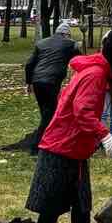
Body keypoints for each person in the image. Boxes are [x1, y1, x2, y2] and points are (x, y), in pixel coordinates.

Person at [23, 31, 112, 223]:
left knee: (66, 202)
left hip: (67, 146)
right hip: (65, 146)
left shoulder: (93, 71)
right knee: (72, 204)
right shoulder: (95, 75)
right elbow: (82, 111)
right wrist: (105, 136)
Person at [23, 23, 80, 156]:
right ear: (67, 34)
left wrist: (28, 83)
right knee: (50, 114)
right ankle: (37, 147)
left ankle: (46, 142)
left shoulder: (41, 43)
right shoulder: (70, 44)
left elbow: (29, 64)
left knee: (45, 112)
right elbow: (80, 59)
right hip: (51, 82)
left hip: (37, 82)